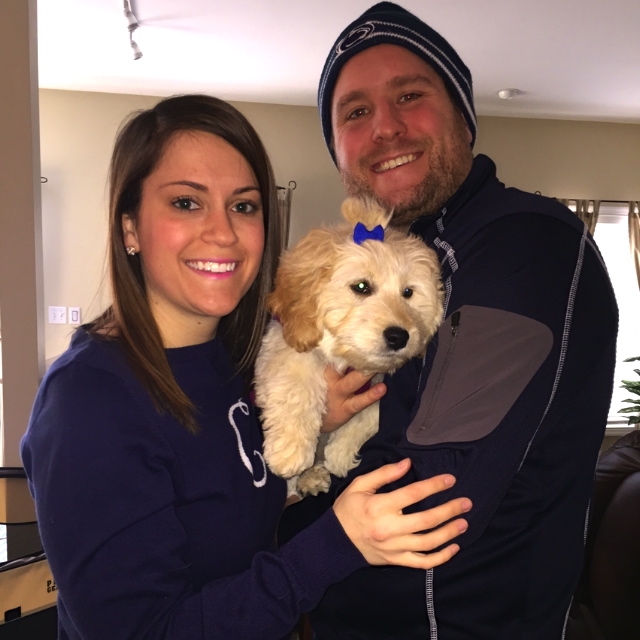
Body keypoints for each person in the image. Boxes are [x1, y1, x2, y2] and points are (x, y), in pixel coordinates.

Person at [20, 94, 472, 640]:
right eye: (186, 202)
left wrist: (317, 429)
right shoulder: (89, 403)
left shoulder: (237, 358)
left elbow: (232, 508)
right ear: (130, 228)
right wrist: (337, 544)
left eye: (244, 206)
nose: (223, 232)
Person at [279, 3, 619, 639]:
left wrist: (256, 543)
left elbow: (432, 494)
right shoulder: (404, 256)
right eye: (355, 112)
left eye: (409, 95)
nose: (386, 127)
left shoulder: (525, 244)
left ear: (463, 116)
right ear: (337, 150)